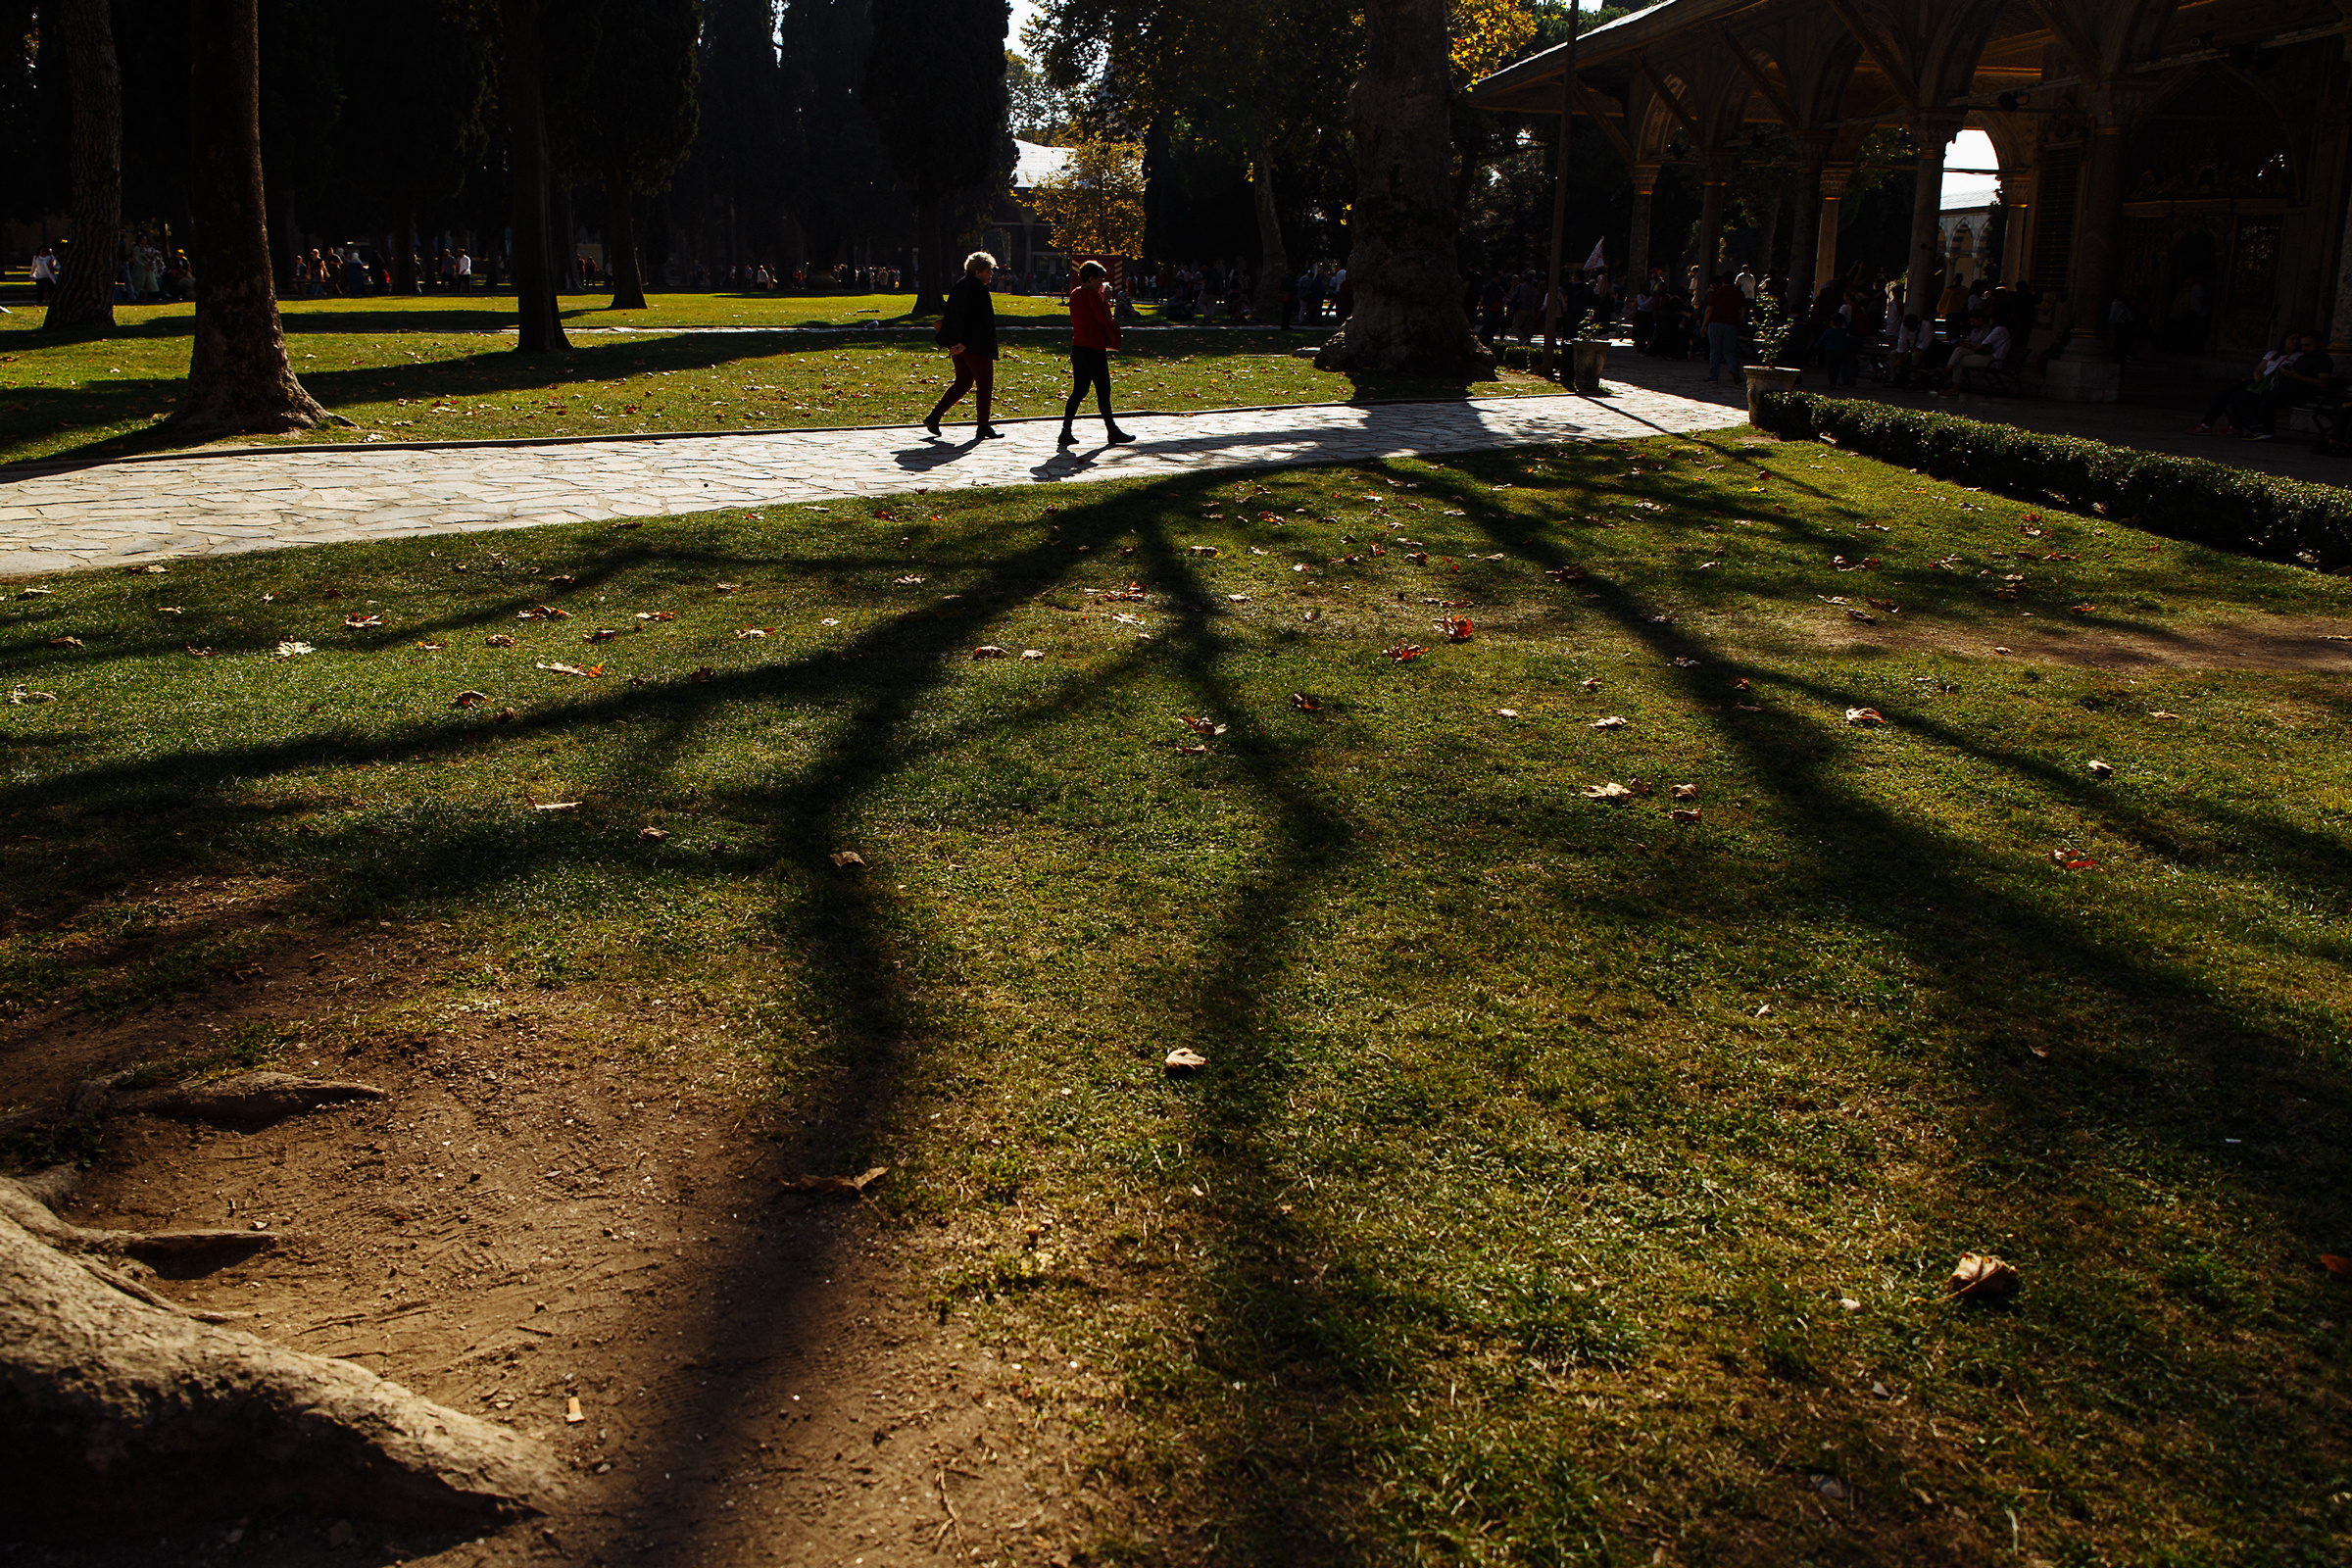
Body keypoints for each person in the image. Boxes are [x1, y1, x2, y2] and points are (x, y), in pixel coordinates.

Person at [924, 251, 1004, 440]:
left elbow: (953, 318)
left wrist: (955, 343)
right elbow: (977, 322)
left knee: (963, 383)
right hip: (975, 347)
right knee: (984, 384)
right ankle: (983, 425)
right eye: (988, 270)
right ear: (978, 271)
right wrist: (965, 344)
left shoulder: (960, 286)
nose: (991, 274)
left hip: (957, 345)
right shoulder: (978, 290)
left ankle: (934, 416)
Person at [1059, 258, 1133, 447]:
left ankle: (1066, 430)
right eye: (1099, 280)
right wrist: (1106, 300)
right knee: (1103, 391)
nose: (1101, 283)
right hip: (1093, 349)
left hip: (1079, 348)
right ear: (1090, 279)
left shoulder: (1075, 294)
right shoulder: (1092, 296)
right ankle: (1112, 431)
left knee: (1079, 390)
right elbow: (1104, 320)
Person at [2193, 331, 2300, 435]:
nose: (2295, 341)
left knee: (2238, 396)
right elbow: (2259, 369)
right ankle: (2206, 424)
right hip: (2260, 381)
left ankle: (2236, 426)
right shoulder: (2272, 354)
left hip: (2272, 384)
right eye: (2292, 338)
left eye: (2297, 339)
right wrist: (2260, 382)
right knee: (2225, 393)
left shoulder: (2298, 357)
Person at [1702, 270, 1745, 384]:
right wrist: (1739, 322)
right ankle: (1733, 368)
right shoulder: (1739, 293)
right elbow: (1743, 310)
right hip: (1731, 324)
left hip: (1715, 323)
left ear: (1722, 280)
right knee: (1729, 351)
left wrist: (1704, 324)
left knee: (1715, 351)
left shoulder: (1716, 292)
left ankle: (1713, 376)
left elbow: (1709, 309)